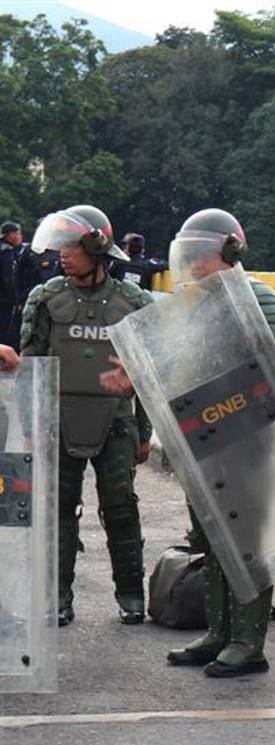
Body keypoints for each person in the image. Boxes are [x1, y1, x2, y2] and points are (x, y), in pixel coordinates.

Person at [101, 208, 275, 677]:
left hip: (247, 435)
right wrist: (138, 376)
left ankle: (249, 641)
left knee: (247, 541)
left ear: (231, 253)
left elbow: (271, 366)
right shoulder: (195, 305)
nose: (198, 265)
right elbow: (179, 367)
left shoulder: (255, 297)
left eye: (206, 257)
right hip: (202, 435)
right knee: (210, 536)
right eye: (195, 257)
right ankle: (219, 632)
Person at [21, 204, 153, 626]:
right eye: (59, 246)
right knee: (59, 510)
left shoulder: (134, 302)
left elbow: (150, 376)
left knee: (121, 508)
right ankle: (58, 597)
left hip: (116, 423)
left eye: (71, 246)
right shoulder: (45, 299)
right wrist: (30, 429)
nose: (61, 254)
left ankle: (132, 596)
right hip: (59, 422)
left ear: (97, 247)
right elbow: (31, 366)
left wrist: (145, 434)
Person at [0, 222, 27, 345]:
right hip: (5, 301)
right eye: (18, 233)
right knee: (6, 332)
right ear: (11, 235)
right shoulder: (7, 252)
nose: (20, 236)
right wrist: (16, 300)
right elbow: (9, 278)